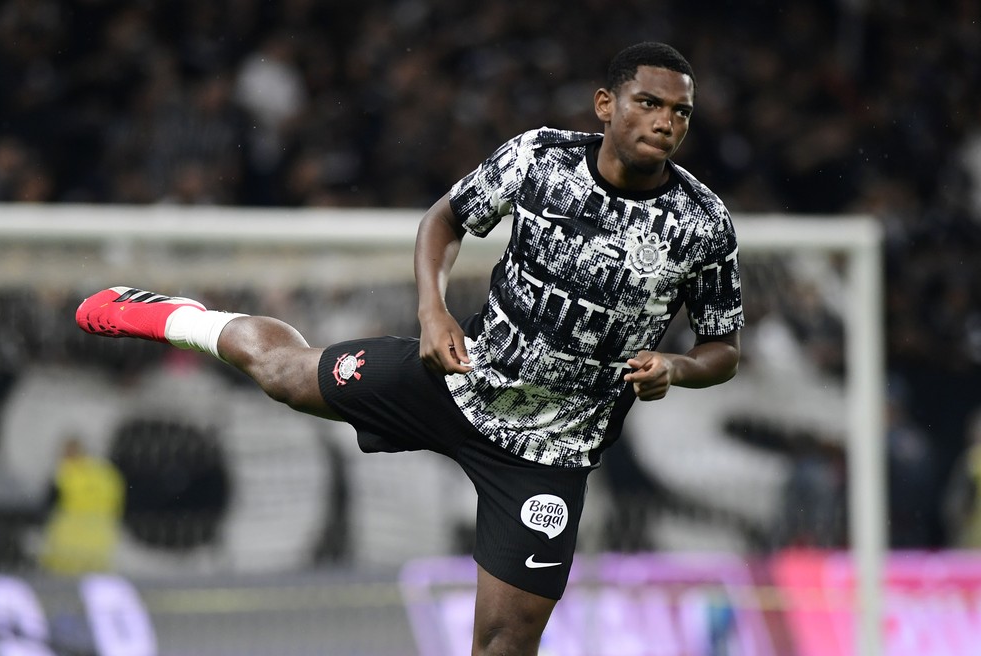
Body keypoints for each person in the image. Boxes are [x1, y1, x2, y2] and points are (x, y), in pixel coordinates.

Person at [76, 41, 743, 655]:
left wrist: (678, 368)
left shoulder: (703, 224)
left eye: (680, 112)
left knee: (504, 648)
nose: (665, 122)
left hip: (550, 457)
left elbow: (723, 349)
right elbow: (444, 219)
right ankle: (173, 317)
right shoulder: (541, 159)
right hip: (457, 376)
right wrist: (432, 311)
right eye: (649, 103)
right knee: (284, 375)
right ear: (607, 104)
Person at [40, 436, 125, 575]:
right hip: (100, 542)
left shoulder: (63, 474)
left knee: (62, 588)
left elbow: (48, 506)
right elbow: (118, 504)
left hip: (66, 544)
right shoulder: (107, 473)